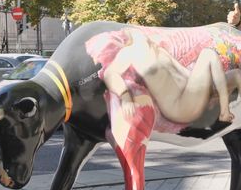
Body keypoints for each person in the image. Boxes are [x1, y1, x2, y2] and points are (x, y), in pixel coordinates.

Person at [87, 27, 241, 124]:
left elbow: (183, 73)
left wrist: (211, 87)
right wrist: (125, 96)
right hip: (179, 107)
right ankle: (224, 111)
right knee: (208, 54)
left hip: (192, 94)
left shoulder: (158, 50)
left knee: (237, 75)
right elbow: (109, 73)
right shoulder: (131, 52)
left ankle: (227, 111)